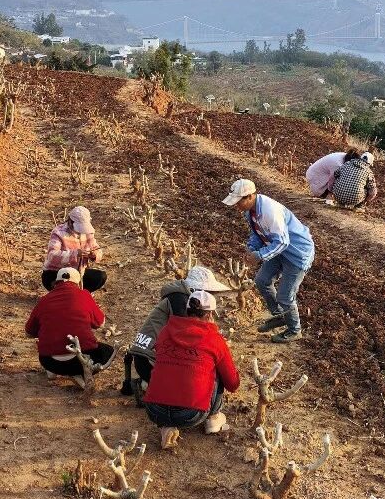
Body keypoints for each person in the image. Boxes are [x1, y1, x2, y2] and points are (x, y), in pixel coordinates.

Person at [143, 289, 240, 447]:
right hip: (191, 414)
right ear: (209, 315)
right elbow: (232, 384)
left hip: (154, 410)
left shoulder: (166, 330)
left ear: (187, 311)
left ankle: (166, 427)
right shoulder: (214, 338)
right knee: (216, 367)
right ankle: (213, 418)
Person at [223, 178, 315, 342]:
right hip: (277, 249)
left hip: (297, 253)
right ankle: (280, 315)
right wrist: (251, 248)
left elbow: (283, 242)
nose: (236, 206)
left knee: (285, 296)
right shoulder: (250, 212)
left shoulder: (269, 211)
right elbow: (258, 233)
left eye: (238, 201)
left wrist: (259, 255)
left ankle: (294, 330)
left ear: (250, 196)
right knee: (262, 281)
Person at [122, 265, 232, 400]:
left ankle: (150, 386)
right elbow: (192, 338)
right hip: (149, 362)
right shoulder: (180, 300)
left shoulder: (177, 296)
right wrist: (216, 343)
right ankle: (148, 386)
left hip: (145, 357)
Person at [24, 267, 114, 378]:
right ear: (78, 282)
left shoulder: (44, 300)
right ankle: (81, 372)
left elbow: (28, 332)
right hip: (80, 360)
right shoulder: (84, 295)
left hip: (50, 362)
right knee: (108, 351)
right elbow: (100, 323)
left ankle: (54, 371)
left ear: (56, 282)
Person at [42, 206, 107, 292]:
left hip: (78, 273)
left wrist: (94, 254)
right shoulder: (58, 232)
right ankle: (66, 294)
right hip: (57, 273)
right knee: (66, 285)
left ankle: (79, 294)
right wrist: (75, 254)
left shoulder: (88, 232)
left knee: (100, 277)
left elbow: (96, 249)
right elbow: (52, 256)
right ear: (71, 221)